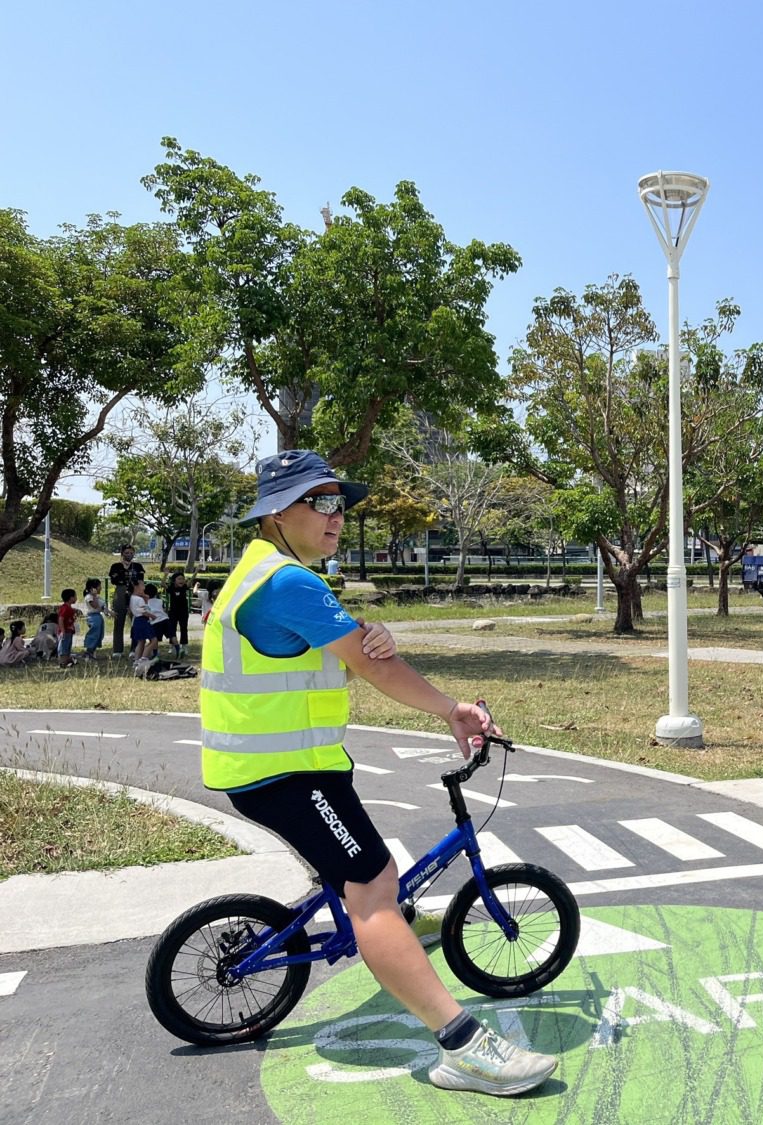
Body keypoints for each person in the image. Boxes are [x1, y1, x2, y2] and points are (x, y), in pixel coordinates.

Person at [198, 449, 556, 1098]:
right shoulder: (288, 583)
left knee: (373, 876)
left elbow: (346, 648)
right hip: (284, 774)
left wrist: (371, 633)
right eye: (323, 501)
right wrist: (455, 709)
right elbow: (374, 667)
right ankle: (463, 1047)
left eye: (343, 502)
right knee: (371, 888)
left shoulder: (264, 573)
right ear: (278, 511)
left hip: (285, 767)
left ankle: (385, 922)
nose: (339, 516)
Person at [108, 544, 144, 656]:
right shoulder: (116, 566)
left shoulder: (137, 566)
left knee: (135, 621)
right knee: (119, 621)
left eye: (131, 552)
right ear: (122, 553)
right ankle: (118, 650)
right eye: (127, 552)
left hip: (135, 593)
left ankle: (134, 649)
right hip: (120, 592)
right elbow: (114, 580)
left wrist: (141, 594)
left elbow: (141, 581)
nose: (129, 555)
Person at [167, 571, 192, 660]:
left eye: (183, 579)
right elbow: (163, 584)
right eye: (179, 579)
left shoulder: (184, 587)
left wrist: (196, 571)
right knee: (172, 628)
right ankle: (173, 645)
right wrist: (166, 574)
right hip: (173, 611)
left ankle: (184, 645)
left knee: (184, 628)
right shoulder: (171, 588)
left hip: (183, 611)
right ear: (174, 581)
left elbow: (190, 582)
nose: (181, 580)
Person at [81, 578, 107, 660]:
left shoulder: (97, 597)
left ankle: (92, 651)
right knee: (94, 633)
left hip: (98, 616)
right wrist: (94, 595)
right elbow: (95, 606)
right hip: (93, 617)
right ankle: (88, 651)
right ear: (93, 588)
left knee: (99, 634)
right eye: (99, 586)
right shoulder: (89, 597)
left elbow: (102, 607)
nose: (101, 588)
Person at [146, 582, 171, 662]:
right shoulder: (160, 601)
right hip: (164, 619)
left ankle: (155, 653)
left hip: (154, 622)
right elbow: (163, 610)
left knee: (154, 639)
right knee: (171, 635)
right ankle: (177, 648)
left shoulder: (146, 602)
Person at [57, 588, 78, 668]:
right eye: (75, 596)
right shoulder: (65, 608)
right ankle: (62, 662)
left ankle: (68, 661)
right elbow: (61, 619)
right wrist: (63, 631)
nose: (76, 598)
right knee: (63, 647)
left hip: (69, 631)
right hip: (65, 632)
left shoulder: (70, 608)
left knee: (68, 647)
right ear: (71, 598)